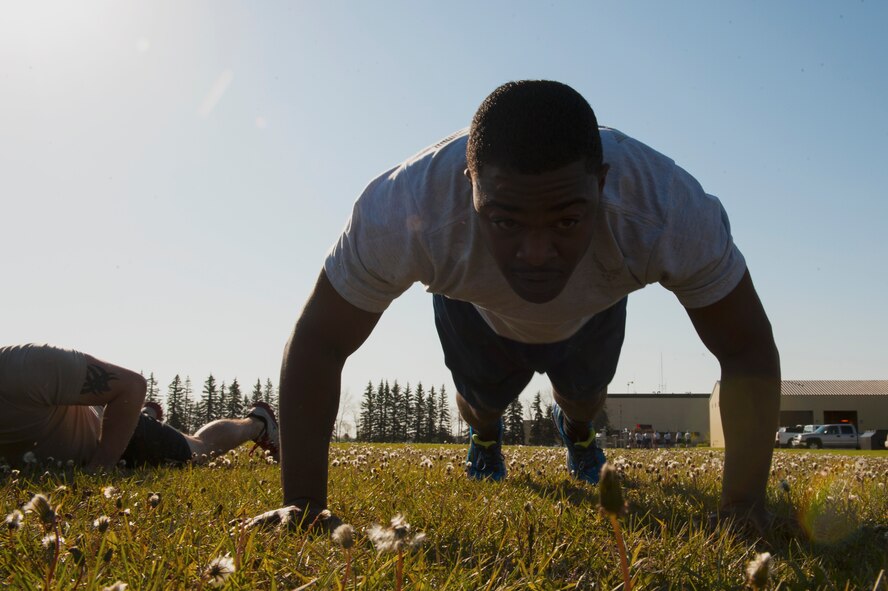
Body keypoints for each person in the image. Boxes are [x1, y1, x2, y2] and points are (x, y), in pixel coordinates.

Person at [252, 80, 780, 532]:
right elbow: (320, 340)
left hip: (593, 305)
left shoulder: (666, 210)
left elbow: (746, 348)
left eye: (567, 220)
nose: (535, 254)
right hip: (475, 310)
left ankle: (576, 431)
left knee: (584, 399)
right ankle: (485, 437)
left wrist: (744, 505)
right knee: (481, 403)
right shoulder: (407, 208)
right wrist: (301, 505)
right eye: (504, 220)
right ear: (470, 186)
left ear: (601, 184)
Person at [0, 343, 279, 468]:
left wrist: (102, 464)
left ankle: (256, 423)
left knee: (198, 450)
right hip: (80, 434)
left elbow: (132, 385)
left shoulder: (25, 367)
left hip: (120, 439)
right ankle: (142, 412)